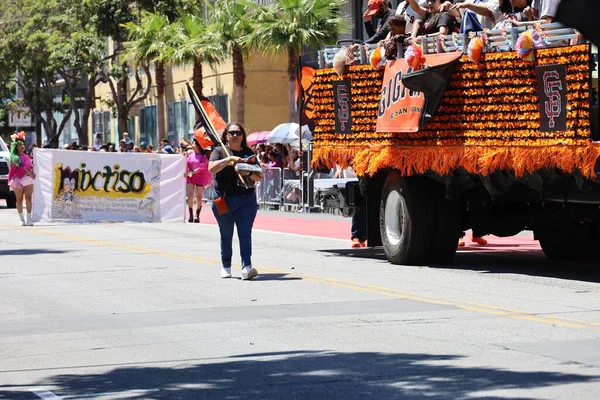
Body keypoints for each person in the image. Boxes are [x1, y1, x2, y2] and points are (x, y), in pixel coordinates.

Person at [208, 123, 263, 280]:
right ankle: (226, 266)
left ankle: (247, 267)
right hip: (223, 199)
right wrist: (228, 159)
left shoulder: (248, 152)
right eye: (231, 133)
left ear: (242, 136)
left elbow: (258, 176)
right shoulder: (219, 151)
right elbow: (211, 168)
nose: (235, 135)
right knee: (226, 233)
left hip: (246, 200)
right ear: (226, 135)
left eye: (238, 133)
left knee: (245, 233)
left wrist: (247, 171)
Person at [7, 132, 35, 226]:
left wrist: (32, 172)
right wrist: (9, 180)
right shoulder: (14, 158)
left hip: (28, 179)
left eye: (23, 144)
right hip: (17, 180)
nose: (22, 146)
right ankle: (21, 219)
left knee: (28, 198)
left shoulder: (27, 156)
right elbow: (15, 170)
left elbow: (31, 167)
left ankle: (29, 218)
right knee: (19, 199)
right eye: (20, 145)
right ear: (16, 147)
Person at [186, 138, 212, 223]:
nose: (192, 144)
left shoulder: (203, 156)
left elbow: (202, 167)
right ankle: (190, 214)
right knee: (190, 195)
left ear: (197, 145)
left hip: (200, 177)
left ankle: (197, 214)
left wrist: (192, 172)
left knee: (199, 196)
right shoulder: (190, 155)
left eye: (193, 143)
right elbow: (186, 163)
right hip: (190, 176)